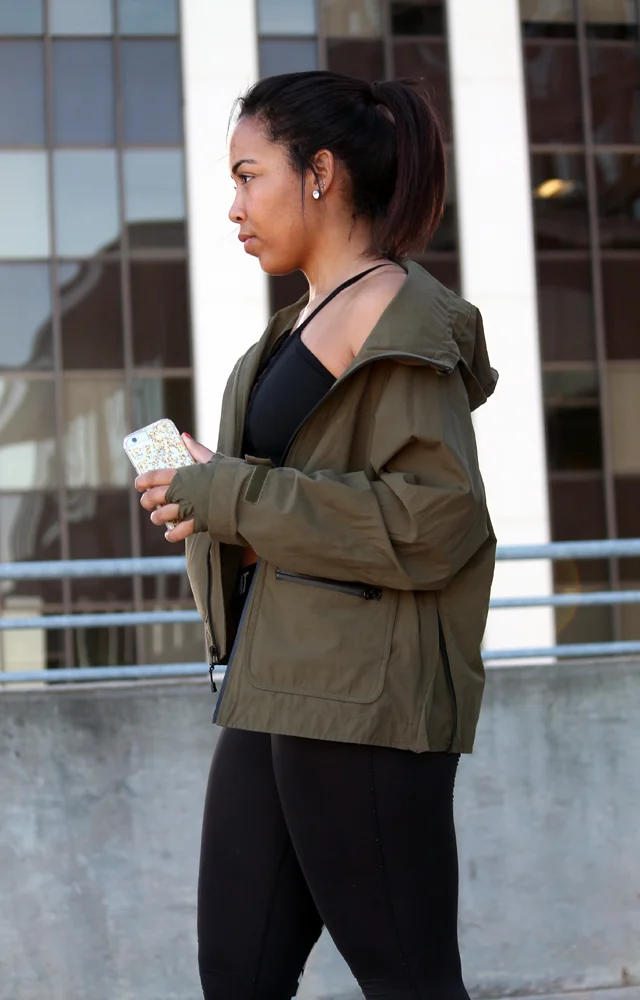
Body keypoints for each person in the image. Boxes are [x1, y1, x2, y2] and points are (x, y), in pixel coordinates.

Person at [135, 70, 497, 1000]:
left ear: (320, 173)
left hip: (361, 694)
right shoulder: (301, 321)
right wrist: (207, 492)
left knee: (411, 979)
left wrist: (229, 492)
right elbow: (293, 496)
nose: (234, 206)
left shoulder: (398, 319)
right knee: (238, 973)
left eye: (248, 175)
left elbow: (435, 516)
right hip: (274, 681)